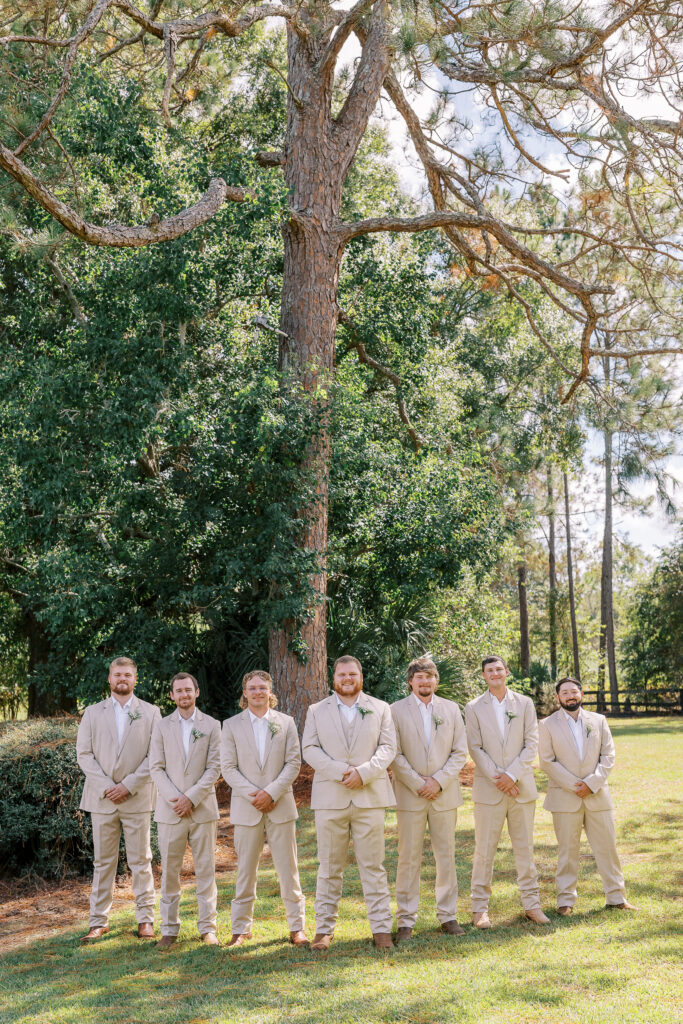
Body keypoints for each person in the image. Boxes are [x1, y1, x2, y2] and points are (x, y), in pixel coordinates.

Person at [302, 655, 397, 950]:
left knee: (374, 866)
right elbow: (310, 748)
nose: (347, 678)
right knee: (329, 866)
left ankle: (381, 929)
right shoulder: (316, 710)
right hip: (331, 798)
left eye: (352, 674)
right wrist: (342, 772)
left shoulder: (380, 708)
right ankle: (324, 929)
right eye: (342, 674)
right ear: (334, 678)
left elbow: (388, 747)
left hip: (370, 797)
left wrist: (364, 773)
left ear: (361, 677)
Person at [76, 656, 161, 942]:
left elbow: (156, 756)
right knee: (103, 862)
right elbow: (84, 754)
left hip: (136, 798)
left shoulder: (151, 713)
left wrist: (128, 785)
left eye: (127, 674)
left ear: (135, 679)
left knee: (141, 860)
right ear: (109, 679)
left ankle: (145, 919)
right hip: (102, 800)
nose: (122, 679)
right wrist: (107, 786)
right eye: (117, 674)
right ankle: (98, 921)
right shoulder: (91, 713)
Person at [221, 670, 308, 948]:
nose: (258, 692)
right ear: (244, 693)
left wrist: (271, 792)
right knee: (245, 870)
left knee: (289, 869)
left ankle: (297, 927)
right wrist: (254, 795)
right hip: (247, 808)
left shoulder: (286, 723)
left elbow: (293, 763)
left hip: (280, 805)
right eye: (252, 688)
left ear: (270, 692)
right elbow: (228, 768)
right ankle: (241, 928)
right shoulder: (231, 725)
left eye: (263, 688)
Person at [539, 677, 635, 915]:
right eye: (565, 693)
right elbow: (546, 761)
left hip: (597, 795)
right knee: (567, 851)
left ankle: (616, 897)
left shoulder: (599, 720)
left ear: (581, 694)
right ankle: (565, 901)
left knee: (607, 848)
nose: (570, 696)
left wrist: (591, 784)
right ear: (557, 697)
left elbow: (608, 756)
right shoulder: (547, 725)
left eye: (574, 691)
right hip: (564, 796)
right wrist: (575, 786)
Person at [465, 655, 549, 927]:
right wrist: (498, 778)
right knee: (484, 850)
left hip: (521, 788)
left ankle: (532, 905)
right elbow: (475, 747)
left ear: (507, 672)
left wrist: (511, 775)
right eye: (489, 670)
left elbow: (531, 743)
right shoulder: (473, 707)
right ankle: (479, 909)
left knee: (524, 849)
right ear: (483, 676)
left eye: (499, 669)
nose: (495, 673)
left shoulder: (524, 703)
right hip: (489, 790)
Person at [391, 657, 468, 941]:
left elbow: (460, 751)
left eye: (430, 677)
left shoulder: (451, 709)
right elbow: (393, 752)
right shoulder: (395, 711)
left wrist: (438, 781)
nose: (425, 682)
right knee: (408, 858)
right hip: (409, 795)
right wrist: (417, 782)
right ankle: (406, 921)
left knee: (445, 856)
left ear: (437, 680)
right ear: (411, 681)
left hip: (444, 794)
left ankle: (448, 916)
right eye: (420, 677)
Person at [149, 672, 221, 949]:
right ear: (172, 695)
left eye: (188, 690)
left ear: (197, 692)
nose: (184, 695)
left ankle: (208, 928)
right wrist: (175, 799)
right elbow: (156, 766)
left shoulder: (212, 725)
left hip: (202, 809)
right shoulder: (161, 726)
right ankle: (169, 928)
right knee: (169, 870)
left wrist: (191, 798)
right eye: (178, 691)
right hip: (170, 811)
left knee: (206, 870)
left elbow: (214, 767)